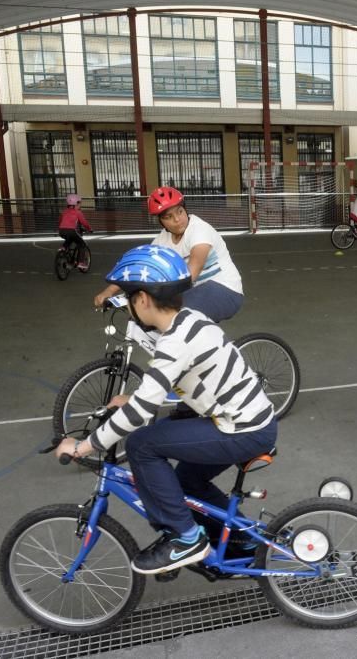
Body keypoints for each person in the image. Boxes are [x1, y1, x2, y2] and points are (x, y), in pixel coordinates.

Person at [56, 245, 277, 574]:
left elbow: (142, 412)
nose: (130, 307)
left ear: (143, 299)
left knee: (141, 444)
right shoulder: (189, 321)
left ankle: (187, 539)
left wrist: (84, 446)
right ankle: (245, 539)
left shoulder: (174, 341)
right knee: (186, 482)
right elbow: (187, 386)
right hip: (247, 420)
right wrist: (134, 400)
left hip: (242, 429)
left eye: (129, 299)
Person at [94, 187, 244, 323]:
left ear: (185, 209)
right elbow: (139, 267)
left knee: (174, 317)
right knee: (154, 318)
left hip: (225, 289)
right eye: (168, 217)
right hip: (196, 291)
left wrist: (155, 294)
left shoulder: (199, 230)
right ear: (161, 222)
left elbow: (192, 273)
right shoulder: (162, 240)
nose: (177, 219)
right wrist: (109, 291)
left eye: (179, 211)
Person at [57, 194, 92, 270]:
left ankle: (63, 247)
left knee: (70, 238)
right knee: (82, 245)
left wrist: (60, 228)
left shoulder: (64, 212)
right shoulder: (77, 212)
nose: (80, 205)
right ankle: (81, 263)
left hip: (61, 231)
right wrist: (89, 229)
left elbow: (60, 221)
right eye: (79, 204)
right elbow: (84, 222)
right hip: (71, 231)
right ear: (76, 203)